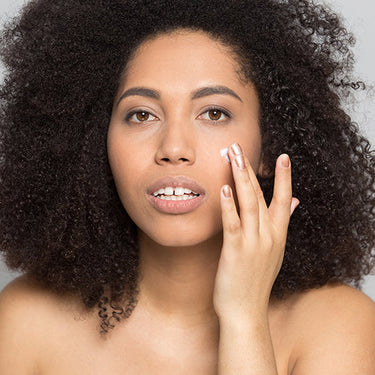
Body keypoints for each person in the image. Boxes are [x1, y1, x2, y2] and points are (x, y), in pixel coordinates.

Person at [0, 0, 374, 373]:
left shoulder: (339, 325)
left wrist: (244, 317)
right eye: (142, 115)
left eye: (214, 113)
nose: (174, 149)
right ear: (96, 141)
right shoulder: (25, 322)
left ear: (270, 143)